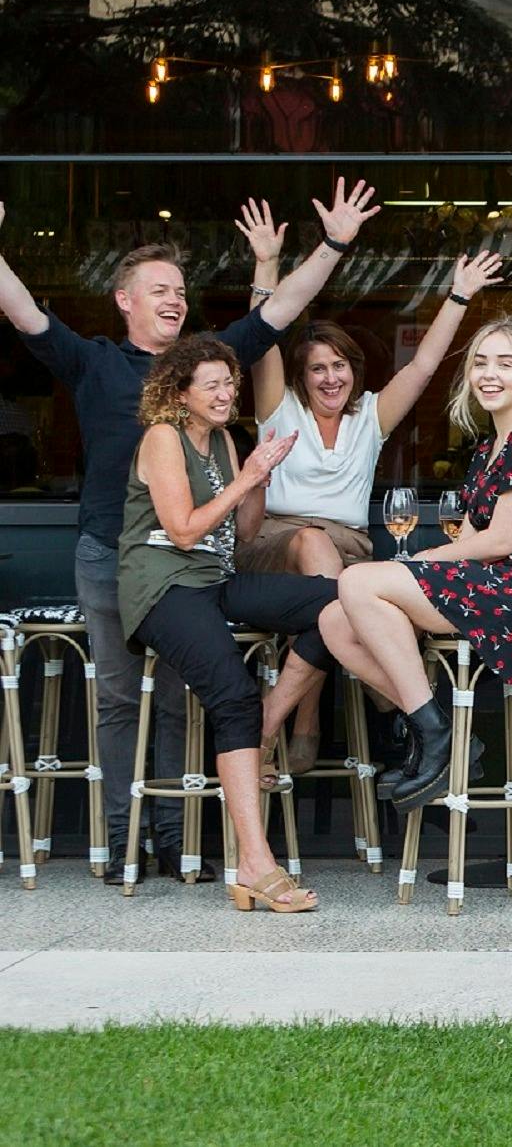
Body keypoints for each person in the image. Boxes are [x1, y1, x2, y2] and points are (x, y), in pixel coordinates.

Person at [0, 180, 376, 881]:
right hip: (110, 552)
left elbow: (281, 310)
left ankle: (174, 842)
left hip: (197, 564)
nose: (174, 299)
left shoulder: (208, 366)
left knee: (178, 697)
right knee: (118, 697)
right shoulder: (95, 361)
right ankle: (121, 842)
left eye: (179, 289)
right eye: (158, 289)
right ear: (125, 300)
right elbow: (21, 311)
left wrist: (334, 244)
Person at [235, 198, 504, 773]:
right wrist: (265, 266)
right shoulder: (278, 409)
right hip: (272, 543)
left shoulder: (370, 419)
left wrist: (458, 296)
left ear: (355, 370)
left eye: (341, 366)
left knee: (336, 572)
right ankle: (379, 709)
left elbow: (425, 366)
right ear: (302, 378)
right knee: (317, 551)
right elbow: (260, 337)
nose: (331, 377)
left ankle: (302, 718)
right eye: (318, 369)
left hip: (350, 550)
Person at [311, 318, 512, 808]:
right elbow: (481, 536)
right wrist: (431, 563)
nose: (489, 374)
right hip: (497, 580)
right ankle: (439, 727)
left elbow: (500, 540)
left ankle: (436, 736)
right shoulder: (490, 447)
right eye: (480, 363)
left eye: (505, 363)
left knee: (355, 582)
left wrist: (429, 557)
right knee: (336, 620)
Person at [116, 336, 336, 911]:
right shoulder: (163, 439)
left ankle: (266, 723)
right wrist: (247, 476)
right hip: (164, 586)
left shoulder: (223, 443)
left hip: (213, 581)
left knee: (337, 603)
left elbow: (238, 536)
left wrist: (259, 479)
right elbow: (184, 530)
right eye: (211, 384)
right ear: (180, 392)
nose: (225, 392)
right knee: (231, 696)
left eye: (229, 382)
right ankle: (255, 865)